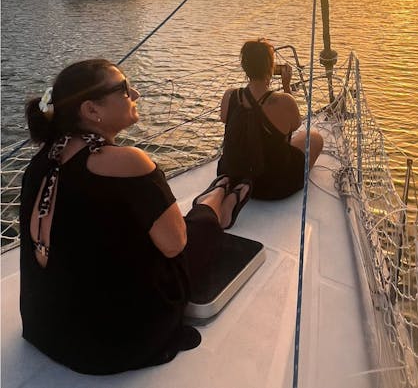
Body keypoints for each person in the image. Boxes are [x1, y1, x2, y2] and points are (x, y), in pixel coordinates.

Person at [19, 58, 251, 375]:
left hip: (45, 328)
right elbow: (175, 245)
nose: (136, 94)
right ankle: (223, 194)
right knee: (201, 226)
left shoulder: (44, 158)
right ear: (91, 111)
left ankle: (221, 192)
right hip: (112, 344)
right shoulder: (127, 161)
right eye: (124, 89)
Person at [218, 39, 323, 200]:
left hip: (233, 177)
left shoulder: (230, 96)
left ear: (245, 68)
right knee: (315, 137)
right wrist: (286, 87)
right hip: (273, 186)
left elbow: (224, 118)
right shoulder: (283, 101)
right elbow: (295, 125)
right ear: (270, 68)